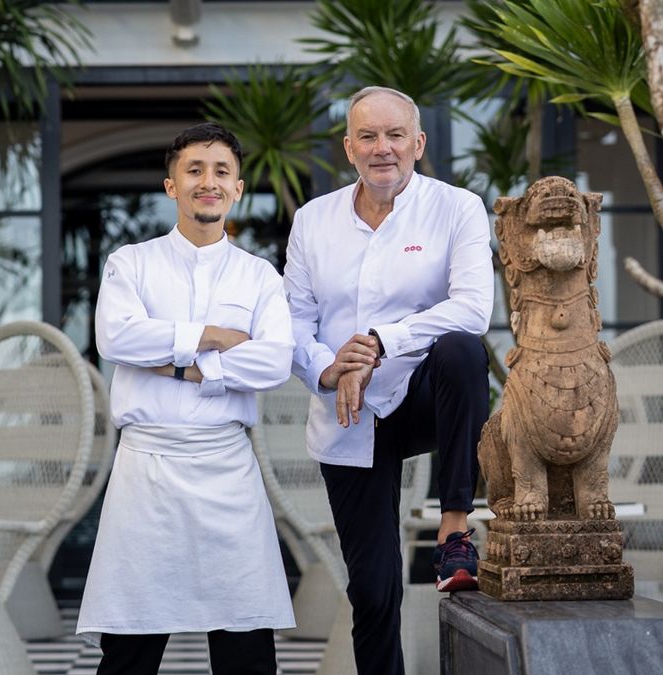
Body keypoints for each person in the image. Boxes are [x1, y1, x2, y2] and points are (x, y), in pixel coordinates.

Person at [283, 86, 494, 675]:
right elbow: (293, 322)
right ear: (348, 148)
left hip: (424, 394)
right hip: (349, 413)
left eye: (395, 135)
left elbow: (473, 309)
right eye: (368, 137)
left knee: (462, 350)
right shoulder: (312, 221)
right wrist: (329, 367)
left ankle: (455, 529)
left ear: (417, 143)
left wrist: (380, 342)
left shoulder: (456, 208)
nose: (383, 148)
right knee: (374, 594)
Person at [76, 122, 296, 675]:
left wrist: (177, 365)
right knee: (129, 653)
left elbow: (273, 362)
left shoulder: (260, 277)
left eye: (221, 171)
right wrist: (215, 337)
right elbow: (116, 339)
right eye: (194, 170)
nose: (208, 182)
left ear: (237, 188)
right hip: (146, 470)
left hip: (228, 469)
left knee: (246, 651)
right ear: (171, 186)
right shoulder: (131, 262)